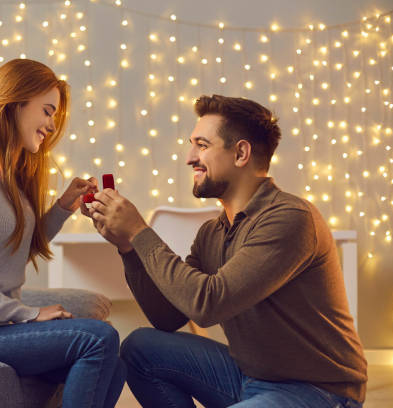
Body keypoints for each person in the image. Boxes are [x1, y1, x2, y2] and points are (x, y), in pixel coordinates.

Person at [83, 94, 367, 407]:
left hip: (317, 391)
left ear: (241, 153)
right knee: (140, 348)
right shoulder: (213, 232)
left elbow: (208, 304)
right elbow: (167, 317)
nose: (190, 157)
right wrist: (127, 246)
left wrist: (139, 231)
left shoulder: (290, 218)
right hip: (247, 377)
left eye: (202, 145)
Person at [0, 58, 126, 408]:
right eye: (47, 111)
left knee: (116, 365)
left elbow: (12, 250)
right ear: (16, 101)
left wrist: (64, 207)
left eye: (54, 116)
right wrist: (26, 313)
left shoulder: (8, 174)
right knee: (98, 339)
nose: (50, 124)